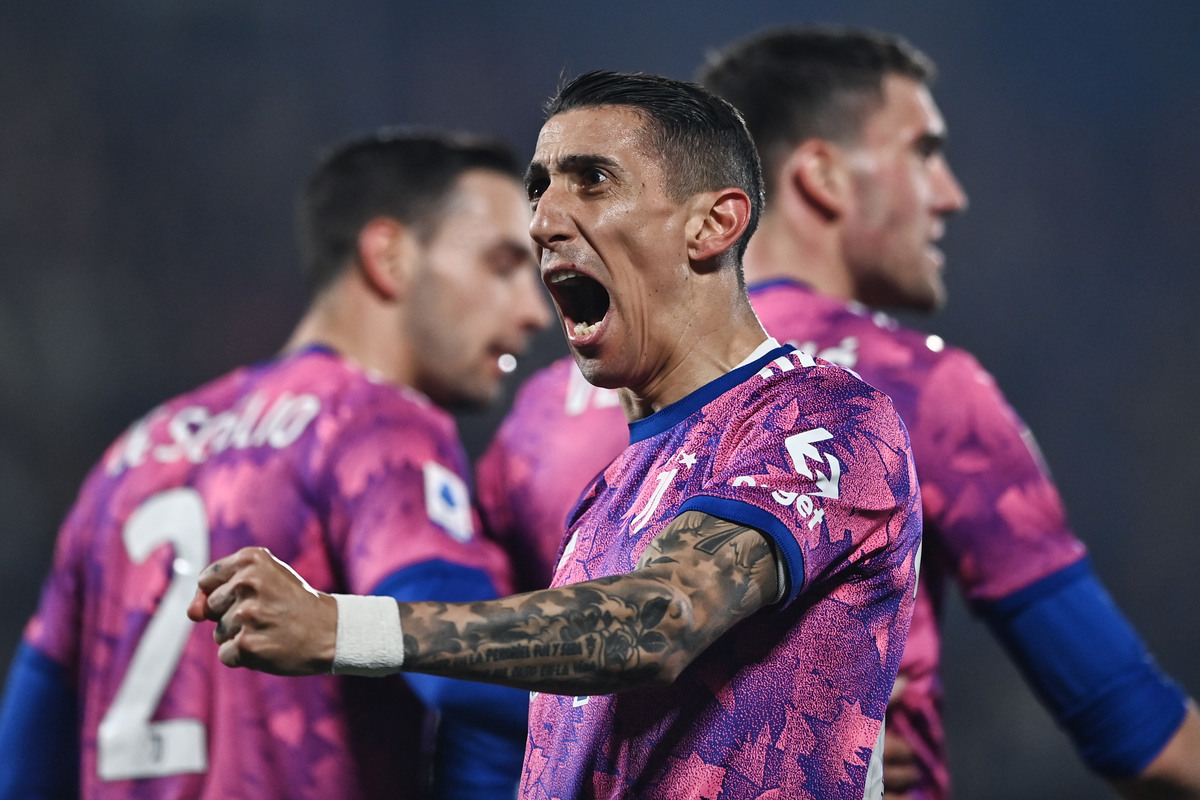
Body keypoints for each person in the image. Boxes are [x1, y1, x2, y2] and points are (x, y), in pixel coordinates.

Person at [475, 26, 1200, 800]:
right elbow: (1138, 733)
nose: (948, 193)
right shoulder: (913, 390)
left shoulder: (540, 416)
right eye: (922, 152)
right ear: (820, 174)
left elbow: (491, 711)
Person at [186, 70, 924, 800]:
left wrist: (341, 627)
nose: (541, 221)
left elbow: (653, 624)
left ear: (713, 224)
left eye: (592, 181)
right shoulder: (606, 498)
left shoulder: (826, 417)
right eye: (540, 187)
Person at [0, 128, 552, 799]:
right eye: (503, 265)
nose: (534, 311)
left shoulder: (135, 453)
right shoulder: (374, 423)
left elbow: (25, 751)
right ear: (390, 257)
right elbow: (465, 672)